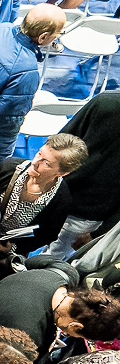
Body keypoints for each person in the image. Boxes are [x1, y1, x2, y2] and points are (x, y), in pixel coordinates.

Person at [0, 4, 66, 165]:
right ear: (43, 37)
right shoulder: (25, 71)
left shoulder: (0, 28)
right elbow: (5, 122)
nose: (58, 38)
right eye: (59, 33)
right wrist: (2, 156)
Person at [48, 92, 120, 261]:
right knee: (52, 261)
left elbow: (59, 143)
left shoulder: (106, 102)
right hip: (80, 212)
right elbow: (60, 143)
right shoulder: (106, 103)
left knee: (31, 254)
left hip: (66, 203)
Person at [0, 134, 85, 258]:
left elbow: (46, 236)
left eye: (46, 163)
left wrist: (12, 247)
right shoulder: (7, 169)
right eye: (39, 154)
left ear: (62, 173)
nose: (35, 162)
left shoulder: (60, 200)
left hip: (4, 253)